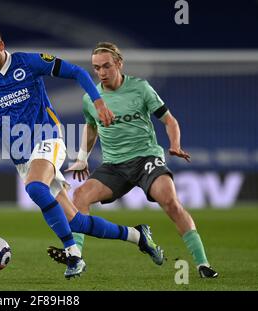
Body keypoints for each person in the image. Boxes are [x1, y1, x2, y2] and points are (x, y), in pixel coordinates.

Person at [0, 23, 164, 279]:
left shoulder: (28, 63)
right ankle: (139, 236)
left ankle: (73, 254)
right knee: (77, 222)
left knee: (35, 188)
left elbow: (78, 72)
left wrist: (99, 101)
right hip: (21, 154)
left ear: (0, 45)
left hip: (48, 136)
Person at [47, 42, 218, 278]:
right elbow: (91, 127)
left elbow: (170, 121)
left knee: (169, 201)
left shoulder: (140, 88)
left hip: (146, 158)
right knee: (80, 196)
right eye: (96, 68)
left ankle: (202, 264)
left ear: (119, 63)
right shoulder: (91, 99)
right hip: (114, 166)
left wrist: (175, 145)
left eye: (106, 66)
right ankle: (75, 256)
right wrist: (82, 158)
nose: (101, 73)